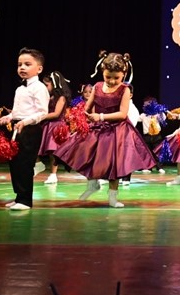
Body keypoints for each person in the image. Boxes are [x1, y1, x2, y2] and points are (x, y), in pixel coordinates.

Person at [54, 52, 155, 207]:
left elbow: (122, 114)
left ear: (124, 74)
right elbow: (87, 108)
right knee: (87, 156)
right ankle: (92, 184)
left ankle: (113, 196)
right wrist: (80, 116)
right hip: (97, 128)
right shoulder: (97, 86)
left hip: (117, 130)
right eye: (108, 77)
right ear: (102, 72)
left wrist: (100, 116)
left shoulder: (125, 90)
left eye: (116, 78)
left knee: (115, 163)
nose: (112, 81)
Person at [0, 48, 51, 211]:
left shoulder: (39, 88)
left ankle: (26, 200)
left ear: (39, 69)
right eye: (20, 64)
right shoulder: (20, 89)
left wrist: (25, 122)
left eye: (27, 64)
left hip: (30, 129)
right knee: (15, 164)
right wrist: (9, 117)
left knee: (25, 165)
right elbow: (17, 111)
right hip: (17, 127)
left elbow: (42, 112)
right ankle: (19, 197)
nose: (22, 67)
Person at [37, 71, 72, 185]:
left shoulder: (61, 98)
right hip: (47, 125)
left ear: (55, 84)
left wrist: (40, 117)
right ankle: (38, 164)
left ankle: (53, 175)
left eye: (47, 85)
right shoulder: (48, 96)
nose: (45, 87)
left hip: (57, 126)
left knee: (53, 151)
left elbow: (56, 114)